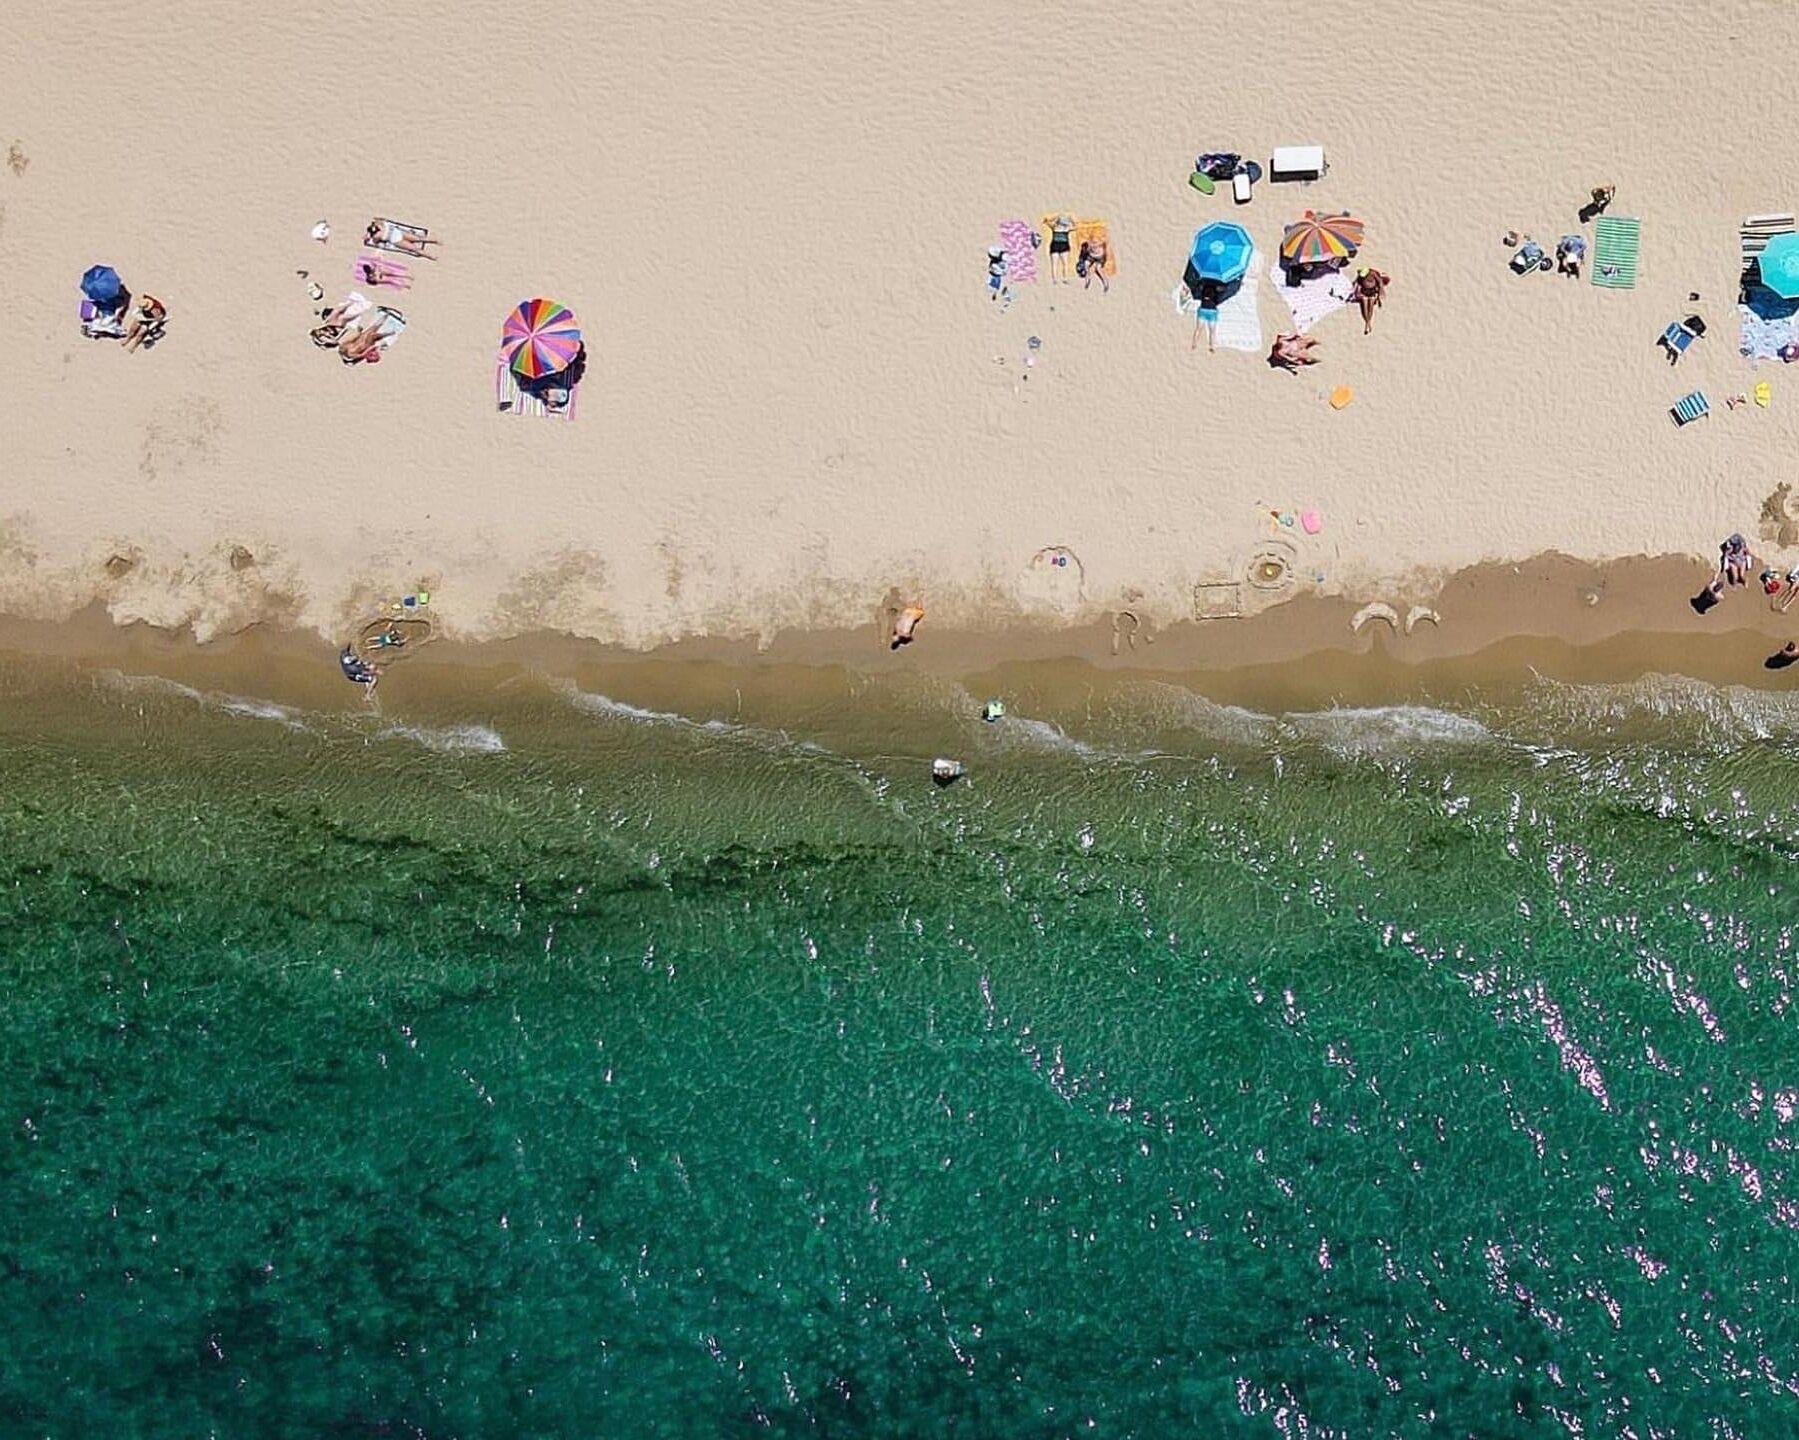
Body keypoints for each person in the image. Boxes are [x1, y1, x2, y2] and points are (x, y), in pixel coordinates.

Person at [365, 219, 441, 256]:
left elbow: (374, 241)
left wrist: (369, 236)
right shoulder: (380, 226)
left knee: (416, 244)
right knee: (416, 244)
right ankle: (435, 244)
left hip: (396, 238)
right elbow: (377, 220)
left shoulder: (376, 234)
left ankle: (432, 253)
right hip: (397, 236)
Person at [1350, 268, 1389, 334]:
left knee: (1370, 307)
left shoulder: (1373, 273)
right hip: (1364, 291)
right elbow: (1356, 282)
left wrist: (1380, 293)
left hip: (1372, 291)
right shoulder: (1361, 275)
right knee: (1365, 307)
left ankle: (1367, 324)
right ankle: (1368, 323)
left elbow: (1380, 282)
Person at [1191, 279, 1221, 352]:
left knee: (1198, 329)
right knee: (1212, 331)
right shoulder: (1217, 285)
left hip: (1203, 309)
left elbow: (1198, 289)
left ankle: (1194, 344)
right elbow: (1222, 291)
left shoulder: (1203, 284)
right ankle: (1211, 346)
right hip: (1212, 311)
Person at [1047, 214, 1075, 283]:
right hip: (1064, 245)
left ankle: (1054, 280)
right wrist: (1071, 219)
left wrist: (1055, 218)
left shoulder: (1054, 227)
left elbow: (1047, 221)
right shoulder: (1067, 228)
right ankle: (1064, 279)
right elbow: (1076, 226)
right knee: (1065, 263)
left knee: (1054, 264)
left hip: (1055, 245)